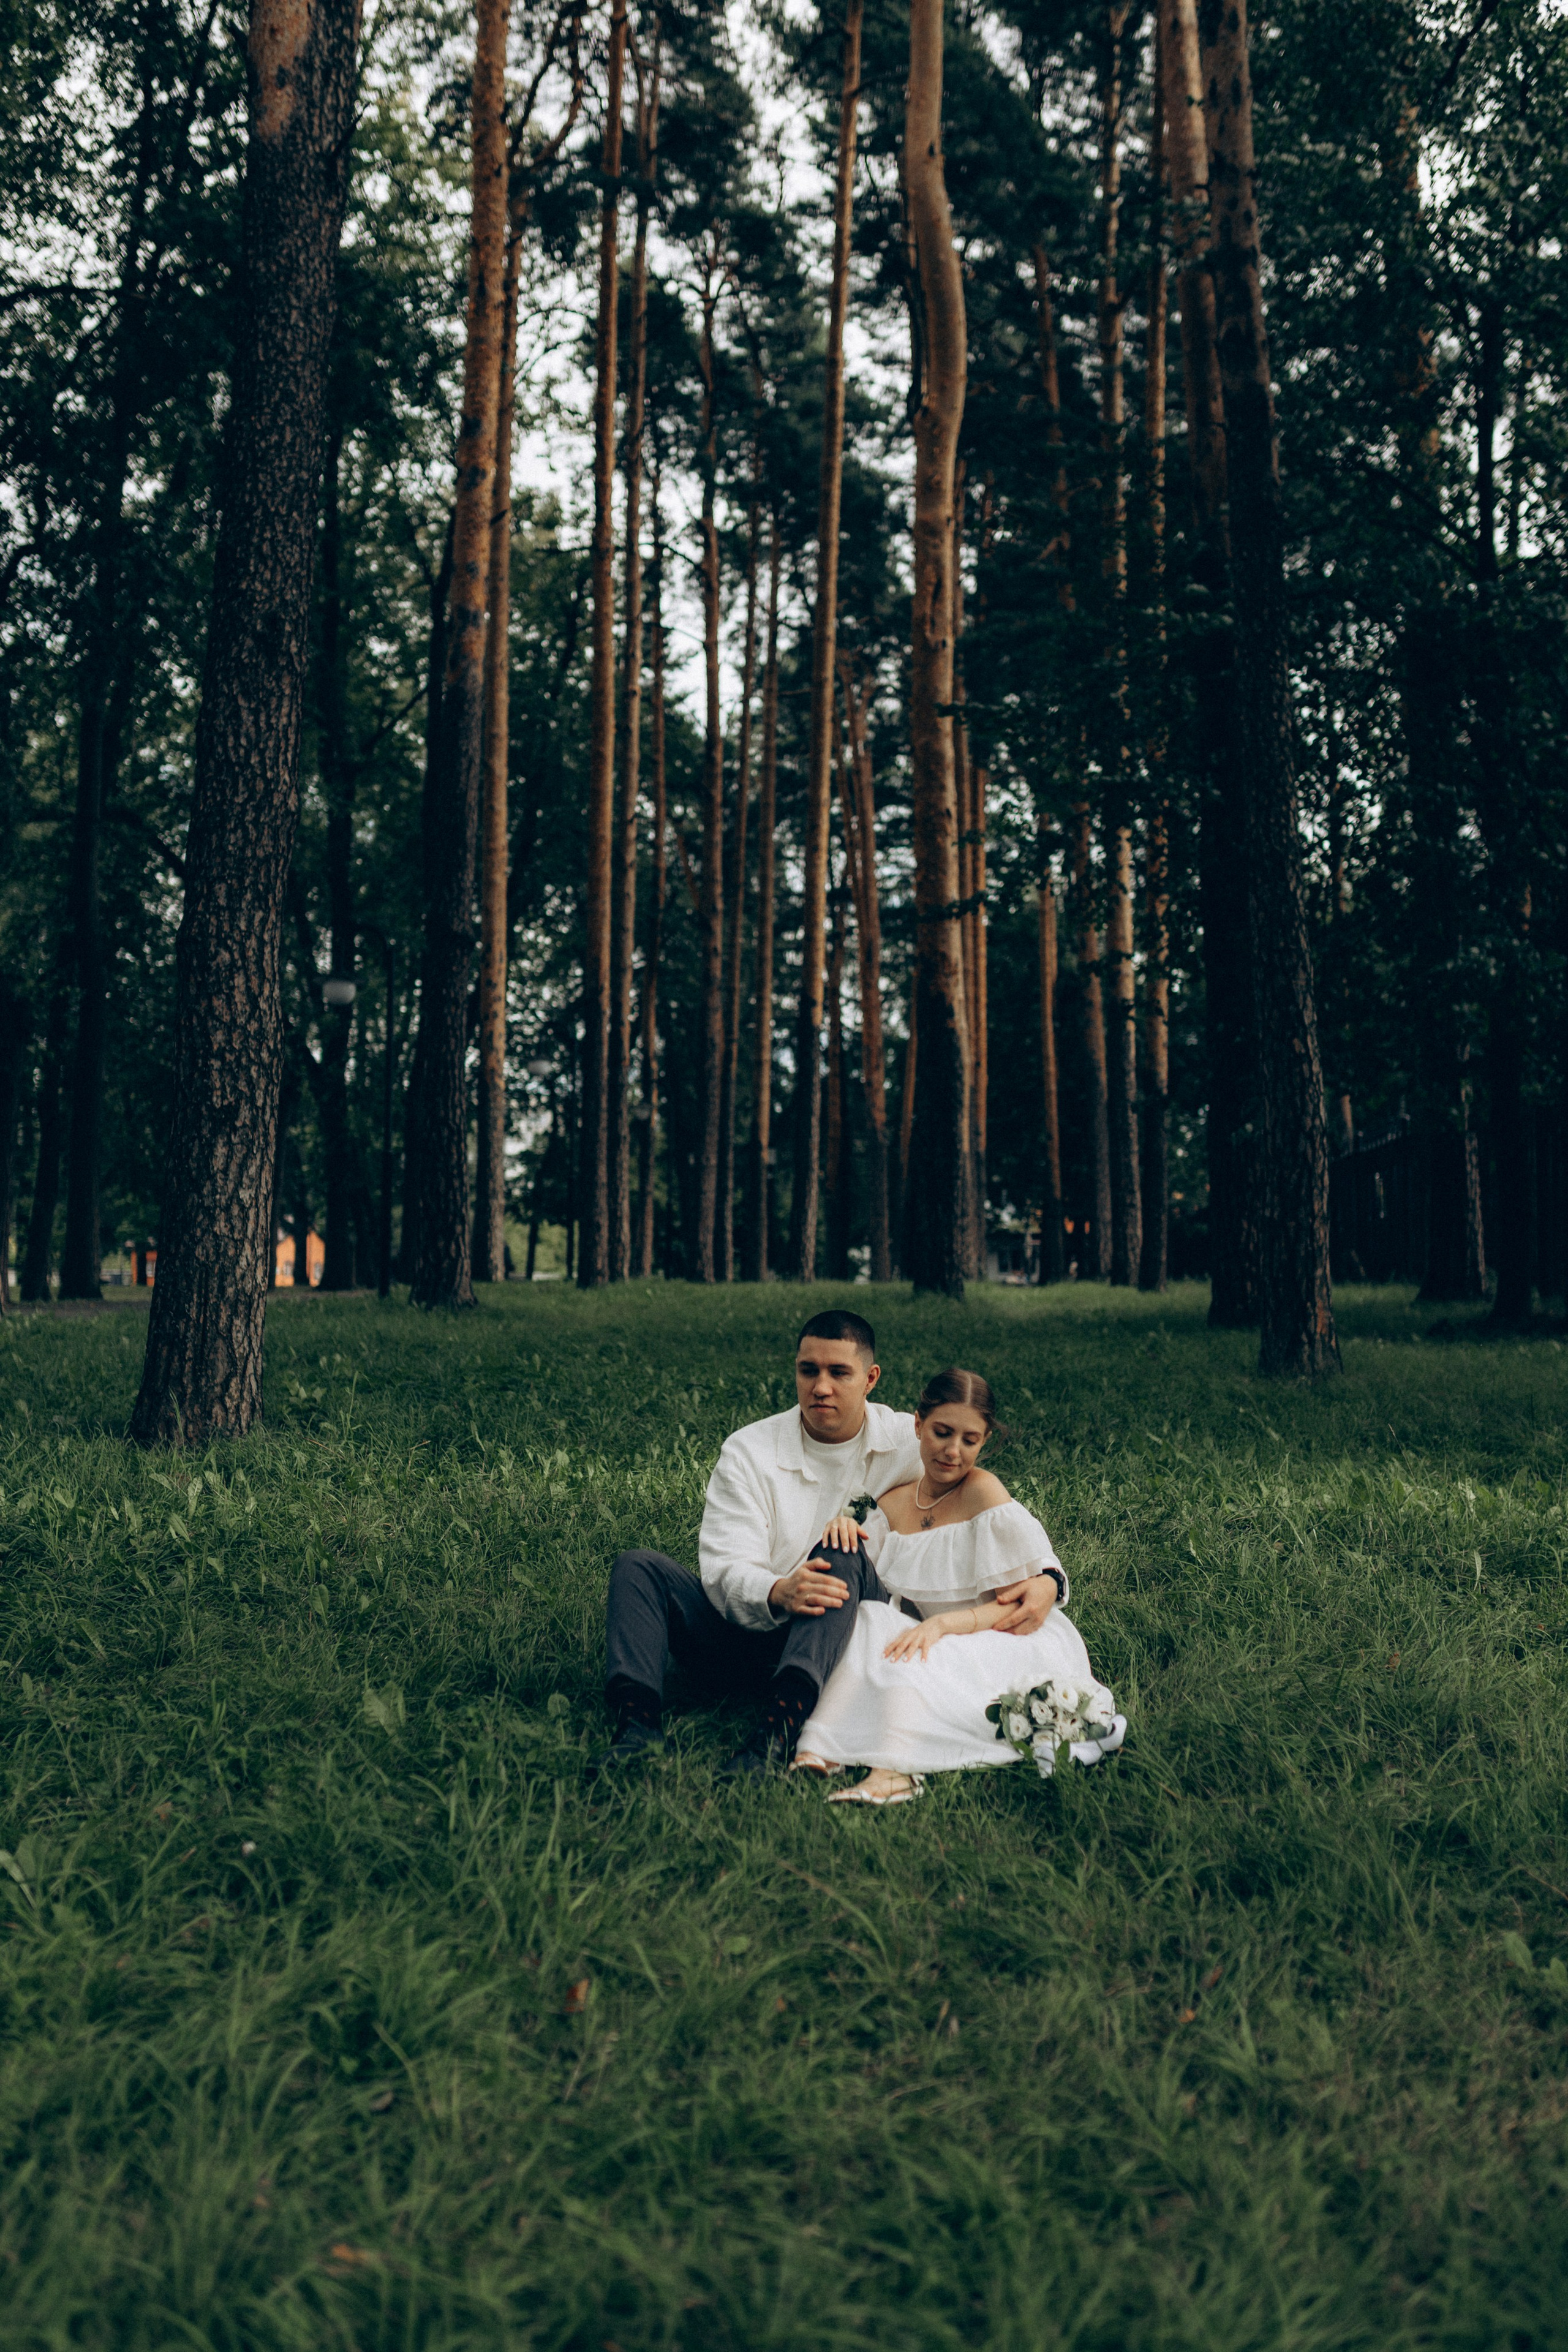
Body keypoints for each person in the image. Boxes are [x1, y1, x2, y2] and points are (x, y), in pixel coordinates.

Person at [594, 1313, 1058, 1778]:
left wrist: (1047, 1577)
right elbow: (724, 1567)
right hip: (747, 1629)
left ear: (870, 1379)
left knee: (843, 1550)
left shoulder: (912, 1438)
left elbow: (986, 1502)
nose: (821, 1387)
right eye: (808, 1370)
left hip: (843, 1643)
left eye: (839, 1373)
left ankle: (776, 1734)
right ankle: (637, 1728)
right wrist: (779, 1590)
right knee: (638, 1568)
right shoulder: (748, 1451)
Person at [793, 1366, 1125, 1806]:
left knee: (919, 1656)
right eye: (942, 1433)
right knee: (872, 1621)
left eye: (970, 1441)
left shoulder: (984, 1493)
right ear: (918, 1425)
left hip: (1003, 1634)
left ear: (984, 1441)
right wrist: (844, 1522)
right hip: (934, 1630)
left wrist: (946, 1625)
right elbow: (861, 1575)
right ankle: (826, 1746)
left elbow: (1023, 1599)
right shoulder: (893, 1503)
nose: (953, 1451)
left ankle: (893, 1771)